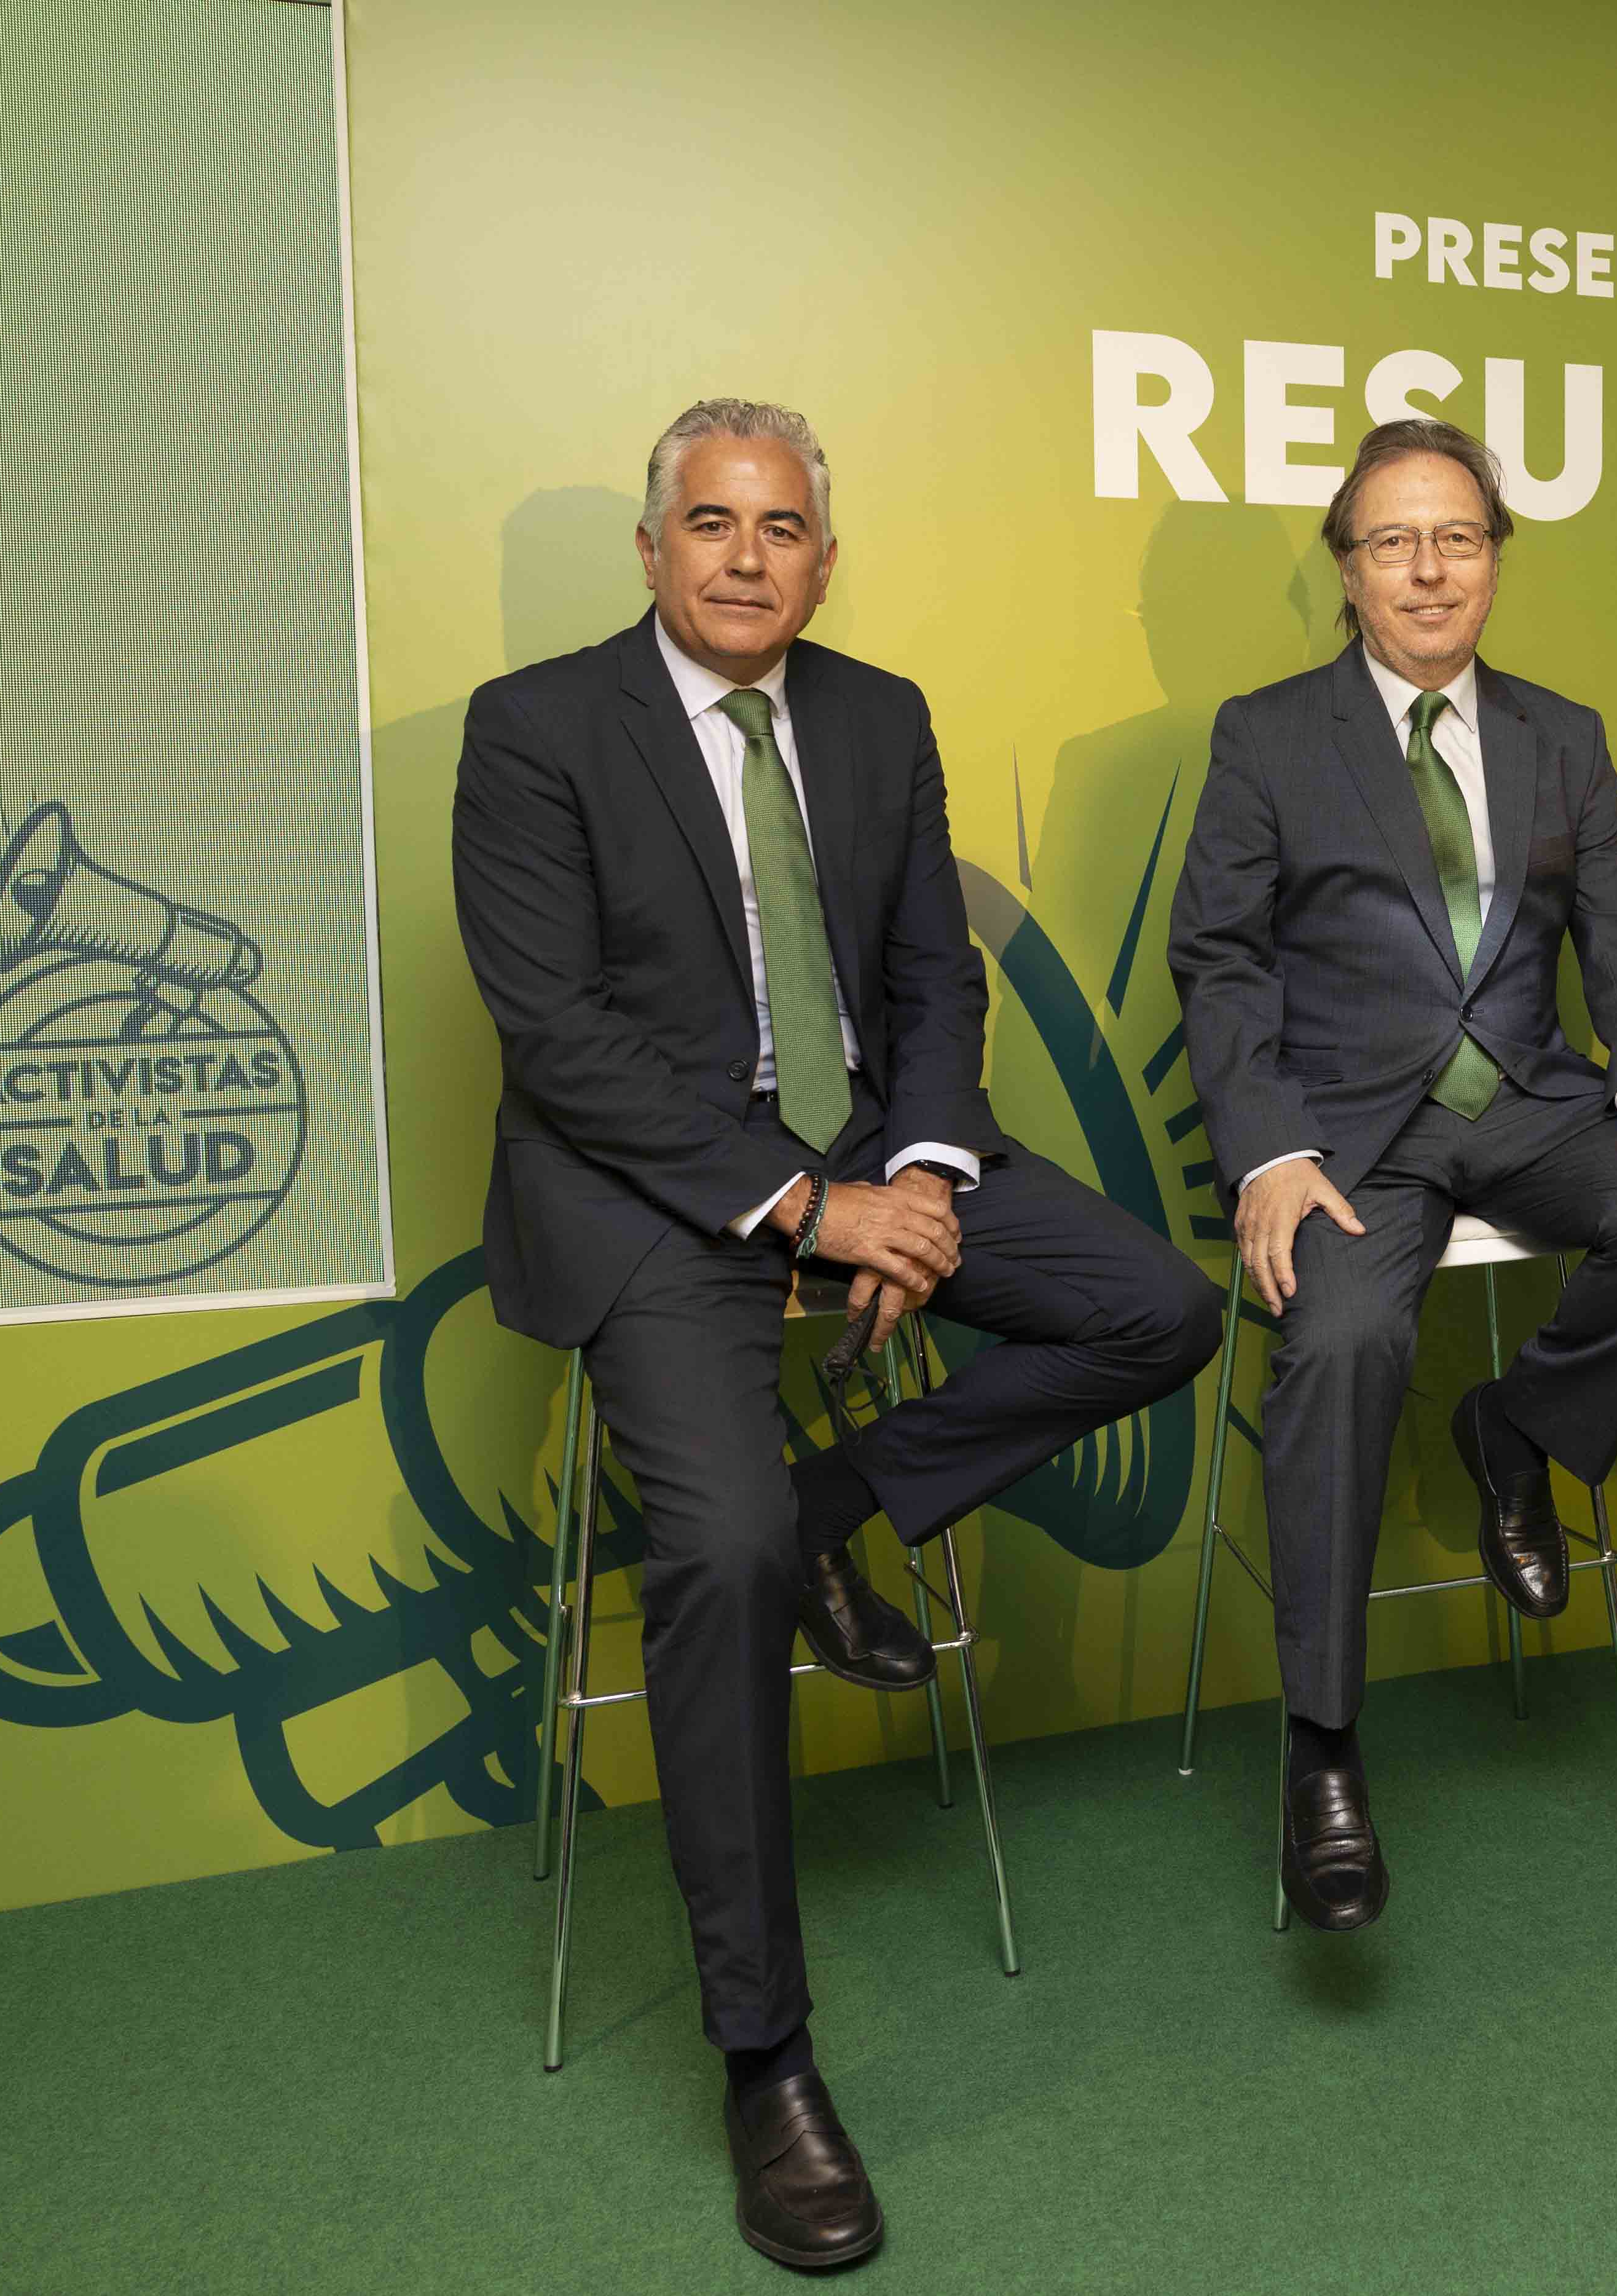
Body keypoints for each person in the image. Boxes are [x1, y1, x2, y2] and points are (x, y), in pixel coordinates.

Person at [452, 398, 1222, 2269]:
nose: (746, 557)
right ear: (653, 547)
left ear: (822, 554)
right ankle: (765, 2055)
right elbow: (560, 1041)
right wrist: (809, 1209)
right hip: (656, 1197)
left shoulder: (877, 716)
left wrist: (927, 1174)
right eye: (712, 523)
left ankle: (831, 1508)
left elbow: (930, 977)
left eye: (782, 526)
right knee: (710, 1548)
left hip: (881, 1147)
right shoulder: (538, 727)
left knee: (1161, 1308)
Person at [1167, 416, 1617, 1931]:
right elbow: (1218, 960)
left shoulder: (1562, 732)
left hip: (1531, 1106)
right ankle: (1323, 1748)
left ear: (1495, 560)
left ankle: (1516, 1427)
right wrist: (1269, 1147)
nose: (1428, 570)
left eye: (1458, 538)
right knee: (1344, 1336)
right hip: (1349, 1130)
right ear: (1347, 568)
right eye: (1393, 542)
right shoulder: (1268, 734)